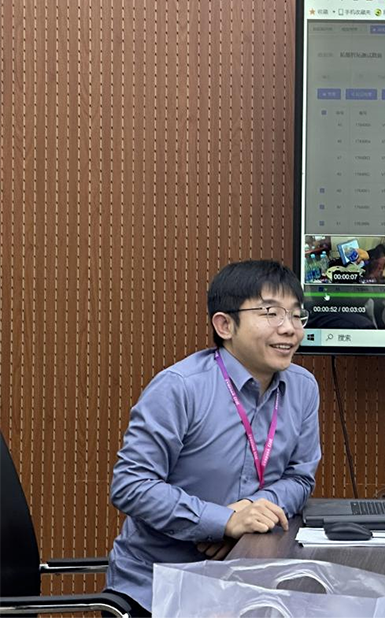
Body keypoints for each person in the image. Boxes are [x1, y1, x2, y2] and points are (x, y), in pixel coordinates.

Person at [104, 260, 321, 617]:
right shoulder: (180, 388)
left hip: (250, 581)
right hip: (162, 590)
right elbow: (131, 485)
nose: (289, 328)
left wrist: (248, 514)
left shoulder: (303, 388)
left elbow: (300, 477)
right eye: (271, 313)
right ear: (225, 325)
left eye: (297, 315)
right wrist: (220, 521)